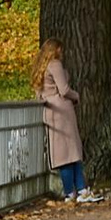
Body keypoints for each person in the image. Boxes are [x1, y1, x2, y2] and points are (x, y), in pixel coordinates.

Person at [36, 39, 88, 203]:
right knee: (71, 152)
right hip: (62, 111)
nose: (62, 52)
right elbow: (64, 89)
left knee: (62, 153)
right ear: (56, 50)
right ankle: (79, 190)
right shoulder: (55, 64)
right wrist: (76, 96)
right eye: (60, 49)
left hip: (50, 110)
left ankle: (72, 191)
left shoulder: (41, 68)